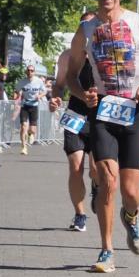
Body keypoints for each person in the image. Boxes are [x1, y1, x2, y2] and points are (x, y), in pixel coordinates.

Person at [67, 0, 139, 273]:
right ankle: (106, 251)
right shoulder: (85, 30)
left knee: (131, 192)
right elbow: (71, 74)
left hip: (133, 112)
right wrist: (84, 94)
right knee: (108, 182)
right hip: (102, 113)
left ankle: (132, 216)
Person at [50, 12, 100, 232]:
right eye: (84, 26)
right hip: (75, 116)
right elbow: (59, 84)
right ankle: (80, 214)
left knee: (97, 170)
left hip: (99, 117)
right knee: (76, 167)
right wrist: (55, 97)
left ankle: (97, 187)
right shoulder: (67, 56)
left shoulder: (105, 55)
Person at [14, 64, 46, 154]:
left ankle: (30, 134)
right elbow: (16, 91)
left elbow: (45, 91)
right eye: (28, 70)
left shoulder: (39, 81)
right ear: (26, 71)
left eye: (32, 70)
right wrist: (17, 98)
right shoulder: (22, 82)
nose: (30, 72)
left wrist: (39, 96)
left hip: (34, 106)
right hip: (25, 105)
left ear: (34, 72)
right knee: (23, 126)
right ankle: (24, 147)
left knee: (32, 130)